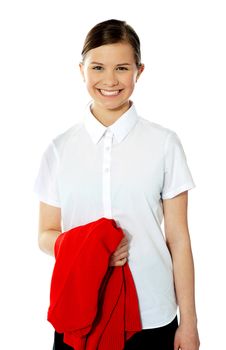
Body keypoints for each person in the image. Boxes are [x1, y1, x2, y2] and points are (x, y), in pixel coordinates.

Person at [34, 19, 200, 350]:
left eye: (122, 68)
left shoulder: (165, 144)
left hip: (152, 312)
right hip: (81, 310)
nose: (110, 80)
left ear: (139, 70)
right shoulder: (59, 149)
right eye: (98, 67)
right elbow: (45, 235)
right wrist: (92, 252)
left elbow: (179, 239)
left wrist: (190, 323)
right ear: (81, 69)